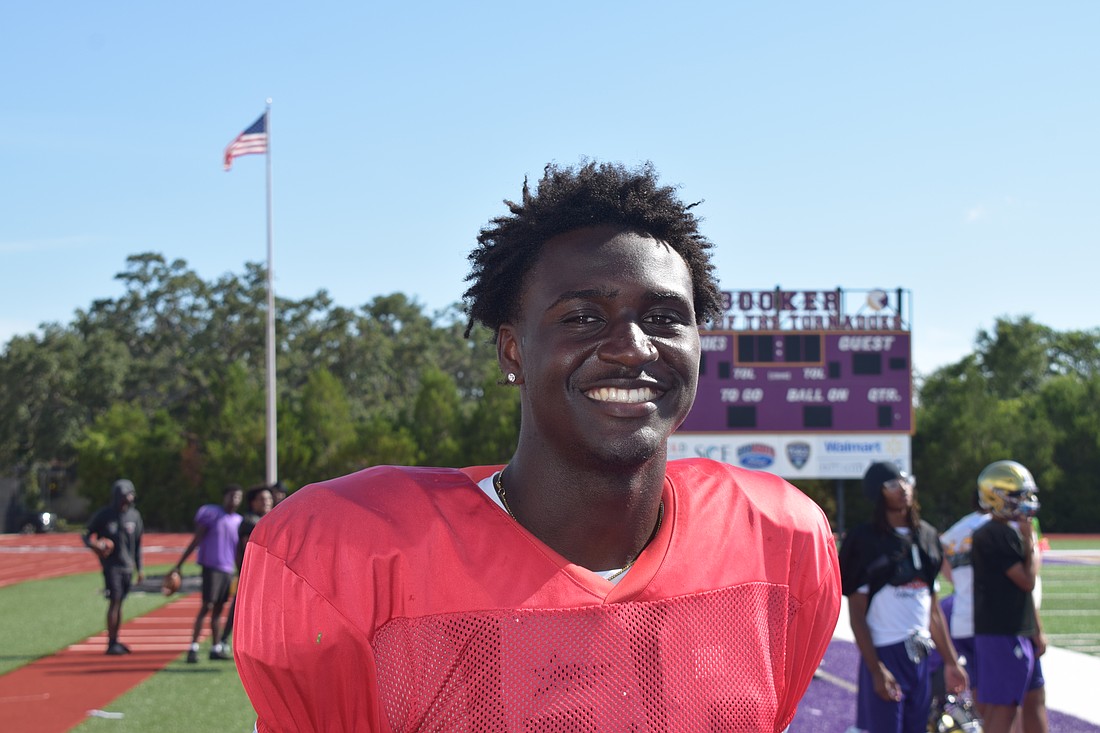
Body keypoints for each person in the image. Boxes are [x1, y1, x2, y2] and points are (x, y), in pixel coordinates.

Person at [234, 161, 842, 732]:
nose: (632, 347)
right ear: (512, 351)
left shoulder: (777, 538)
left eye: (664, 317)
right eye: (583, 316)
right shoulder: (353, 549)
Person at [839, 462, 967, 733]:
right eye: (893, 485)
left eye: (906, 481)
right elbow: (857, 614)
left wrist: (951, 661)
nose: (904, 489)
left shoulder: (928, 537)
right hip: (886, 651)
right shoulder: (865, 540)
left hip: (921, 655)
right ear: (878, 492)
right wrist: (876, 668)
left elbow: (933, 612)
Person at [971, 460, 1048, 732]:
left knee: (1032, 698)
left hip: (1017, 629)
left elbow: (1024, 593)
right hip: (1001, 631)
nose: (1026, 502)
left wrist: (1035, 628)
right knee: (1004, 708)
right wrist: (1032, 543)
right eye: (1018, 496)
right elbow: (1027, 580)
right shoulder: (992, 534)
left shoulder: (1007, 531)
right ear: (997, 496)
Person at [173, 483, 243, 663]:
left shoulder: (238, 520)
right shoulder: (211, 514)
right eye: (231, 495)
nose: (234, 499)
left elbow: (236, 550)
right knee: (207, 606)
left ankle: (215, 647)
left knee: (219, 609)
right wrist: (179, 564)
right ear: (225, 497)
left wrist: (241, 571)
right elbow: (197, 539)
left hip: (227, 569)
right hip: (211, 567)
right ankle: (193, 647)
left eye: (238, 496)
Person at [83, 478, 144, 655]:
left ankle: (115, 640)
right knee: (115, 601)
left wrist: (139, 568)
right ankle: (111, 643)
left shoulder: (135, 516)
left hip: (127, 567)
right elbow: (86, 534)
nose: (130, 498)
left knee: (120, 603)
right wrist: (94, 546)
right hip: (112, 566)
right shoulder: (104, 515)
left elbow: (138, 544)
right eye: (127, 494)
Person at [939, 492, 991, 695]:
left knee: (978, 686)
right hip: (991, 622)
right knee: (1003, 698)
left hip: (962, 617)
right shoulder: (998, 525)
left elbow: (941, 551)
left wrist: (959, 582)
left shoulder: (960, 527)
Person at [220, 483, 275, 646]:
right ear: (253, 502)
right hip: (253, 574)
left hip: (262, 573)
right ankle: (225, 641)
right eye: (262, 499)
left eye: (268, 499)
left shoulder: (267, 519)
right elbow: (250, 550)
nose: (266, 502)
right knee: (242, 608)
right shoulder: (250, 522)